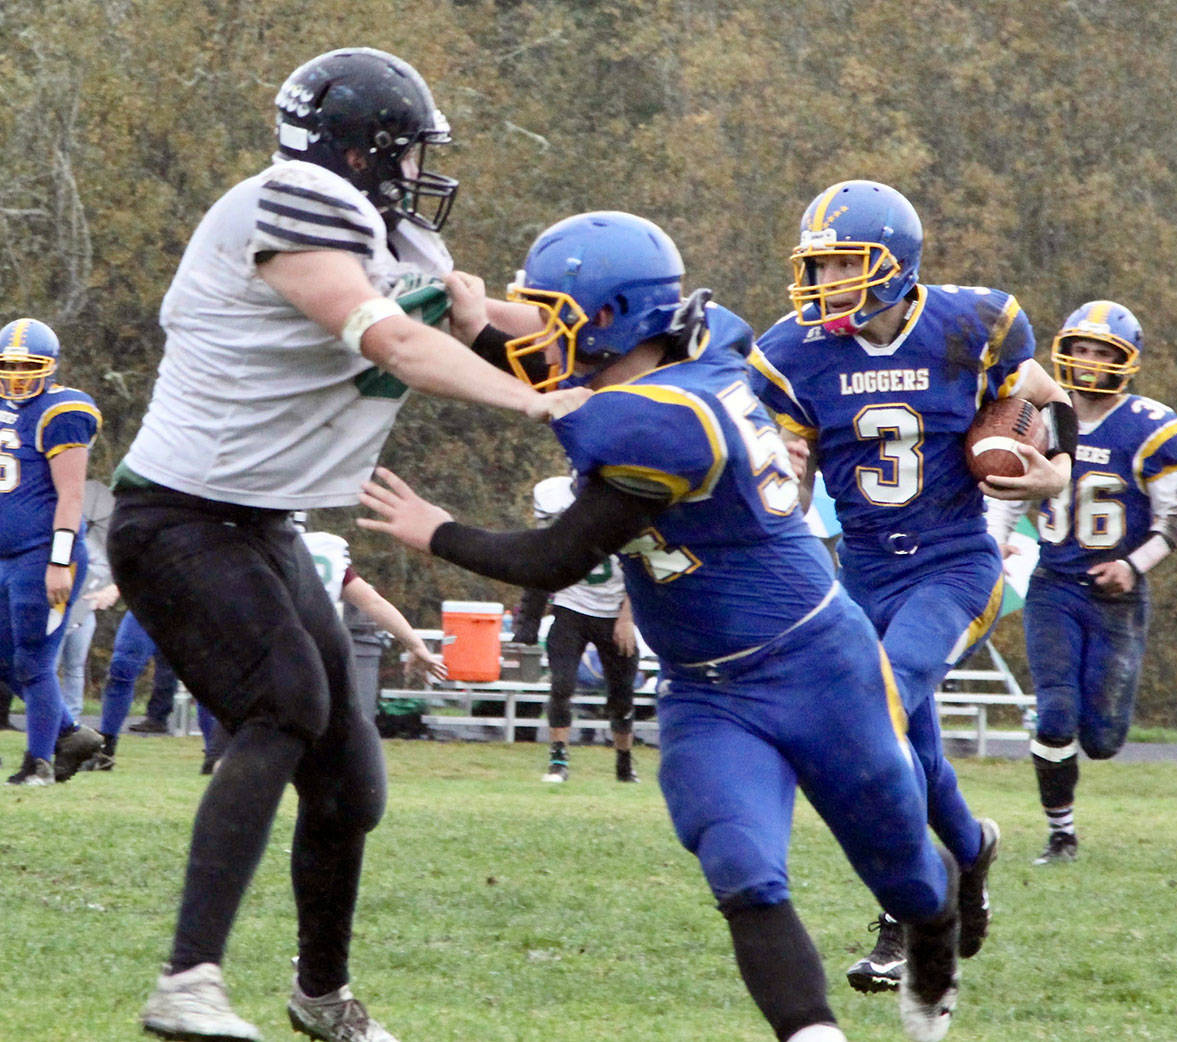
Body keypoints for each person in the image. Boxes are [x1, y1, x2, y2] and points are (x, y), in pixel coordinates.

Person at [359, 210, 966, 1042]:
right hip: (707, 687)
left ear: (606, 321)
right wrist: (479, 322)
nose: (537, 330)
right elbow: (569, 372)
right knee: (741, 867)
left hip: (819, 666)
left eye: (553, 313)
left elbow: (555, 557)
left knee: (908, 877)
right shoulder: (698, 343)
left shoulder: (658, 427)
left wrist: (437, 531)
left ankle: (938, 927)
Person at [104, 47, 586, 1042]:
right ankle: (187, 981)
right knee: (283, 701)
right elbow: (393, 341)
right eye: (405, 152)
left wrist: (637, 357)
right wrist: (536, 403)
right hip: (177, 513)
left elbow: (488, 322)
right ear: (359, 148)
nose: (416, 173)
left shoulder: (391, 232)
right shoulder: (289, 200)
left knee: (351, 782)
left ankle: (321, 997)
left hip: (263, 520)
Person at [749, 180, 1077, 992]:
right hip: (860, 576)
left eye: (840, 266)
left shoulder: (974, 323)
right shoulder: (792, 353)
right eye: (817, 267)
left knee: (879, 707)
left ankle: (904, 916)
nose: (822, 285)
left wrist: (1052, 476)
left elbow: (1049, 397)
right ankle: (971, 853)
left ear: (893, 266)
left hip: (955, 567)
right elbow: (787, 458)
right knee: (917, 754)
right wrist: (778, 480)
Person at [985, 301, 1177, 865]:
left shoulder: (1152, 427)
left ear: (1126, 361)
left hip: (1116, 595)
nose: (1089, 362)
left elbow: (1175, 520)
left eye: (1103, 353)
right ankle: (1061, 835)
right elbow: (1013, 486)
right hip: (1054, 584)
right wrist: (994, 540)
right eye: (1080, 350)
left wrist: (1132, 565)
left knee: (1101, 739)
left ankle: (1072, 804)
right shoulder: (1045, 414)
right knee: (1054, 713)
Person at [0, 317, 106, 786]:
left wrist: (59, 560)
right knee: (7, 659)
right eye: (10, 365)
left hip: (42, 555)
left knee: (34, 660)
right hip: (5, 556)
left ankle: (38, 762)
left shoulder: (61, 410)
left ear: (51, 366)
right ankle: (69, 733)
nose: (19, 375)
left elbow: (71, 496)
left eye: (30, 366)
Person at [526, 474, 639, 783]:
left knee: (621, 696)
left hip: (614, 613)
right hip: (570, 607)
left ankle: (624, 762)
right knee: (561, 685)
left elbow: (642, 568)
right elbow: (541, 552)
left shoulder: (626, 508)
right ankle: (558, 761)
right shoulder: (557, 501)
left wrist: (627, 617)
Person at [298, 519, 447, 717]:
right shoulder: (320, 550)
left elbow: (373, 603)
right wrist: (415, 645)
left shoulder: (255, 550)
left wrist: (416, 646)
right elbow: (372, 602)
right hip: (314, 660)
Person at [82, 609, 178, 770]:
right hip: (148, 602)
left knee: (211, 674)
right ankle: (106, 750)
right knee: (121, 669)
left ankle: (216, 754)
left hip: (195, 602)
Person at [55, 478, 119, 721]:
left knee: (75, 667)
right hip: (60, 606)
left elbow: (105, 572)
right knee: (52, 666)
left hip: (85, 610)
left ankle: (72, 716)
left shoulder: (99, 548)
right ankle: (54, 714)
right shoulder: (64, 542)